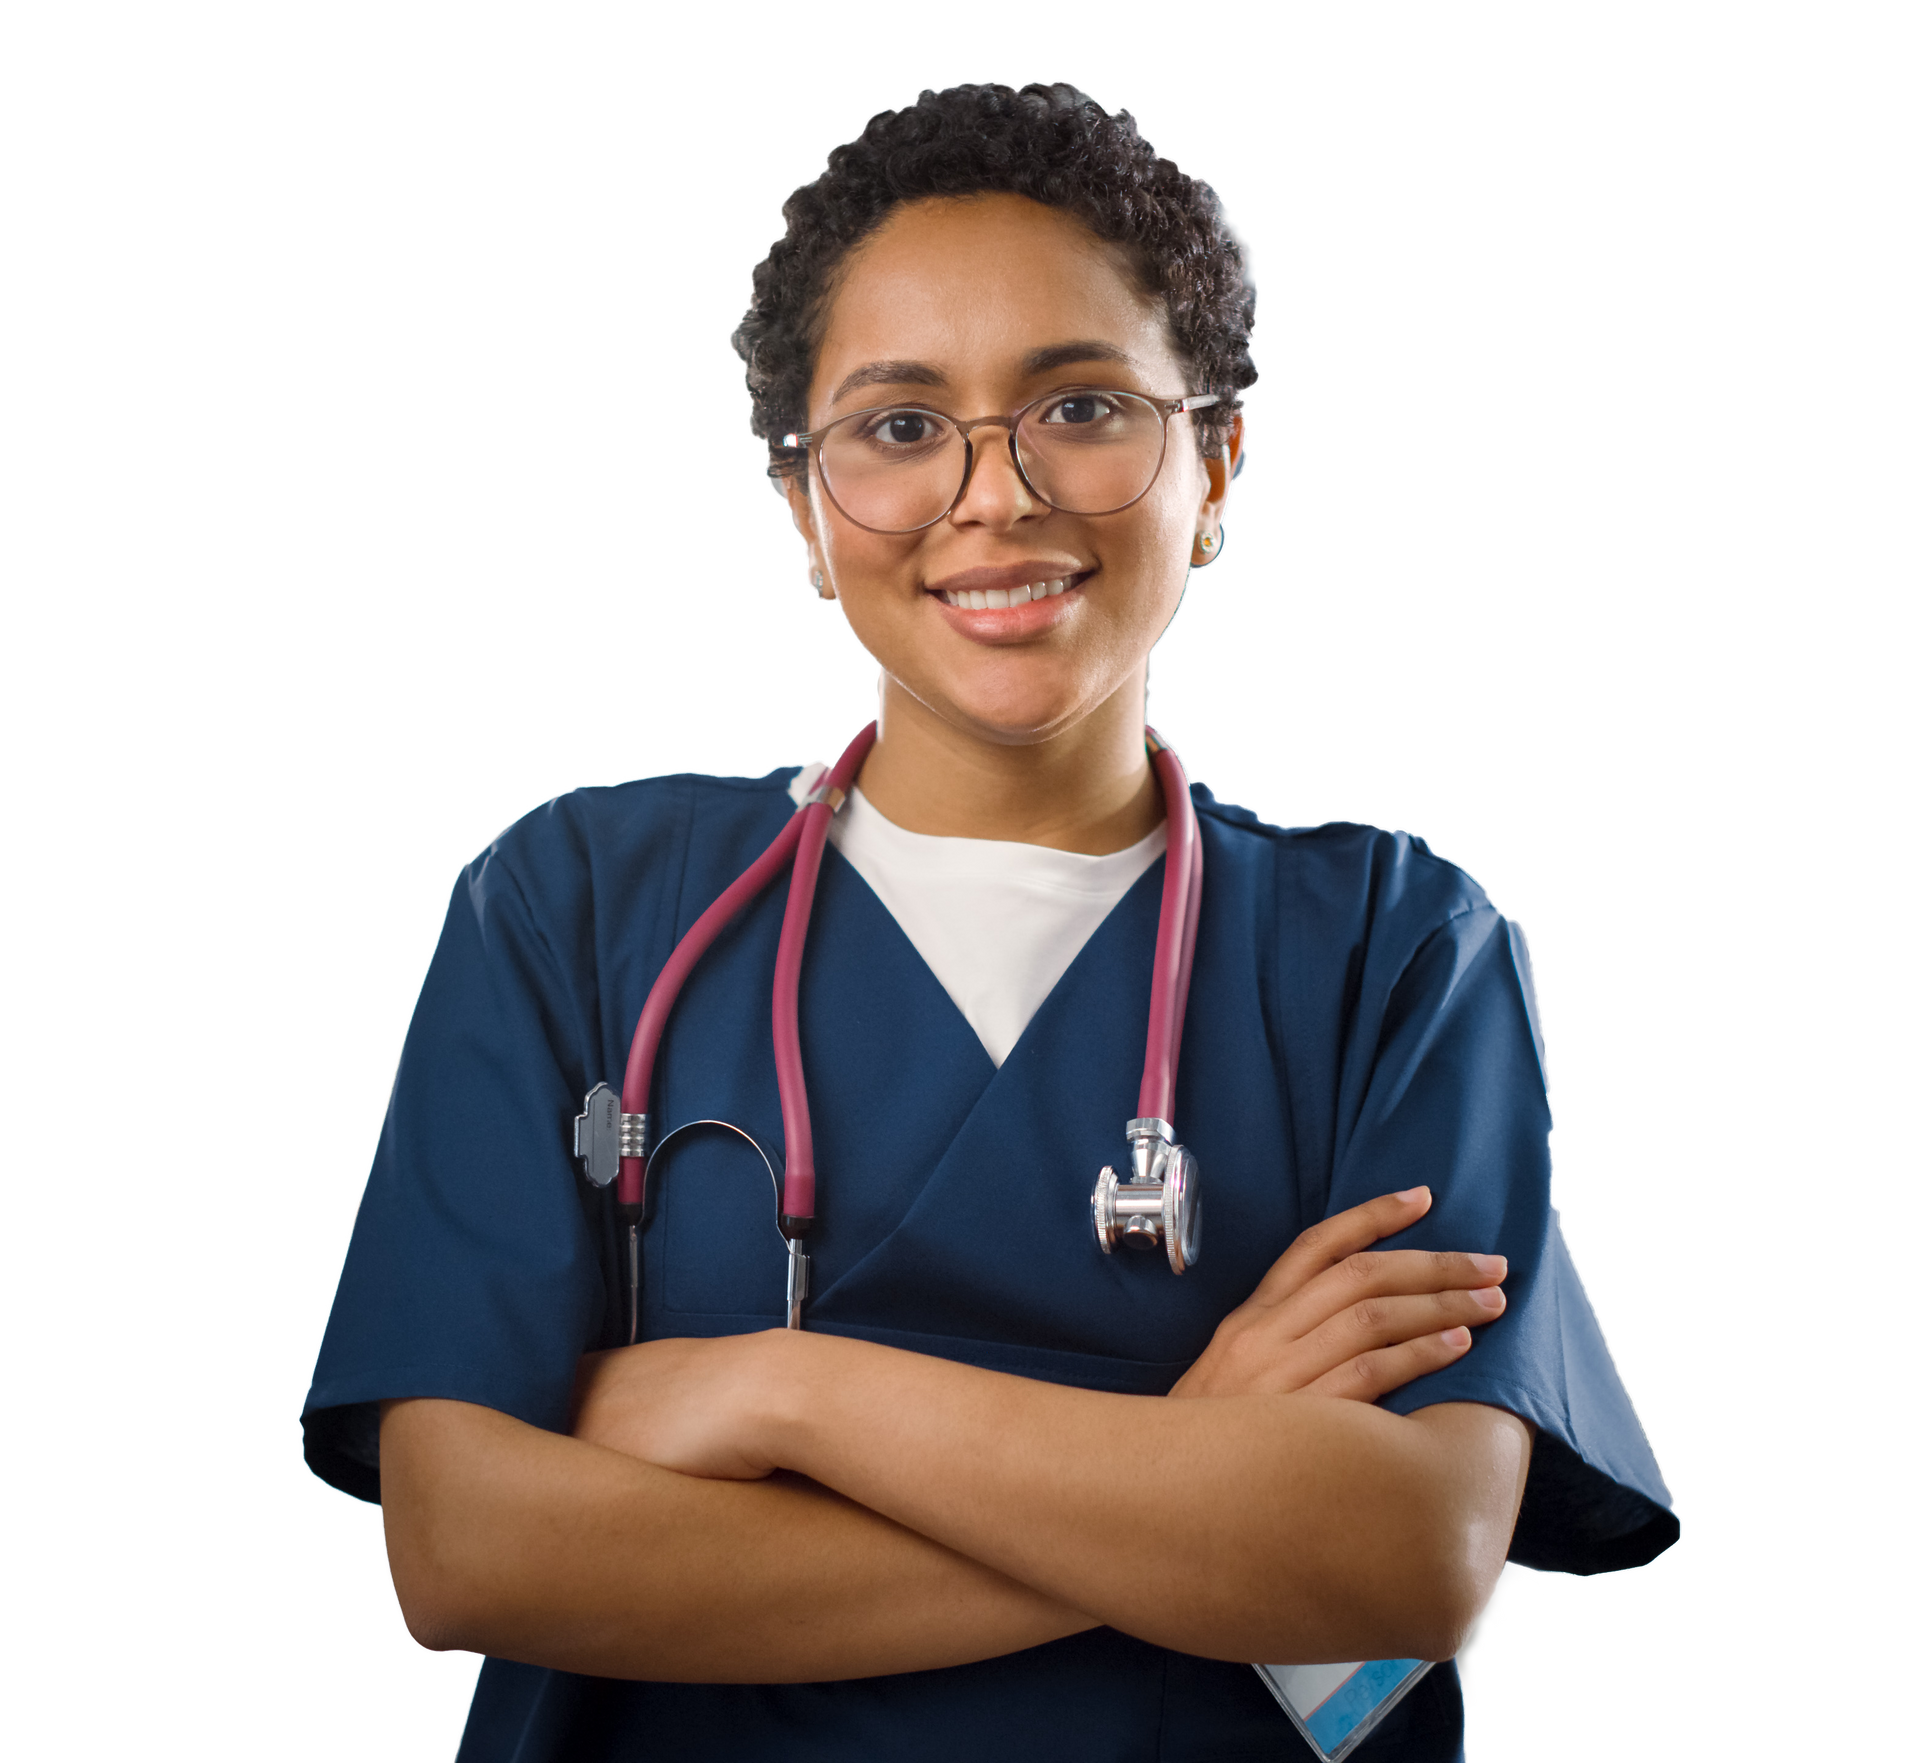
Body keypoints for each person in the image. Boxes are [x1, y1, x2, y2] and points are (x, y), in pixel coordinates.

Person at [297, 78, 1680, 1761]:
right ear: (804, 508)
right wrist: (1192, 1471)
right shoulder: (573, 901)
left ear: (1216, 459)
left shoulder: (1396, 943)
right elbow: (471, 1548)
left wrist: (773, 1389)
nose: (996, 493)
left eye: (1081, 405)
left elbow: (1413, 1553)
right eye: (897, 425)